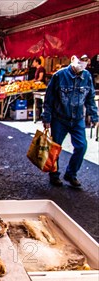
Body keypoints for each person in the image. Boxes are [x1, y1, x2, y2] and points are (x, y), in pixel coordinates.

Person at [42, 55, 98, 189]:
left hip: (78, 119)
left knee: (81, 146)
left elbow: (90, 98)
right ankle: (54, 175)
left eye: (85, 61)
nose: (82, 63)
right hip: (59, 118)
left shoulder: (87, 77)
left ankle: (71, 174)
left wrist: (95, 117)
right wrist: (47, 118)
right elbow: (49, 99)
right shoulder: (59, 76)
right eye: (80, 60)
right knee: (55, 148)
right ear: (72, 59)